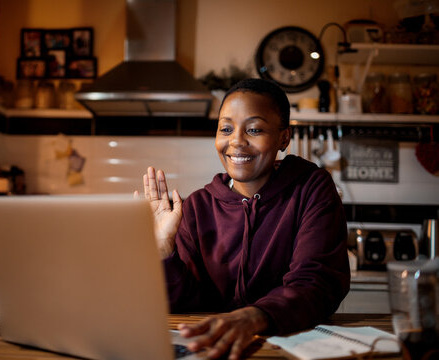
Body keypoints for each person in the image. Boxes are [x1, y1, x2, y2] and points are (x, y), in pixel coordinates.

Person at [138, 78, 350, 360]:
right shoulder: (198, 206)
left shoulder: (311, 188)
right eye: (226, 128)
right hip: (215, 349)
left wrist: (253, 317)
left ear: (283, 138)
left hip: (288, 348)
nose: (236, 140)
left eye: (254, 129)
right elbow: (184, 303)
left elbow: (316, 282)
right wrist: (164, 250)